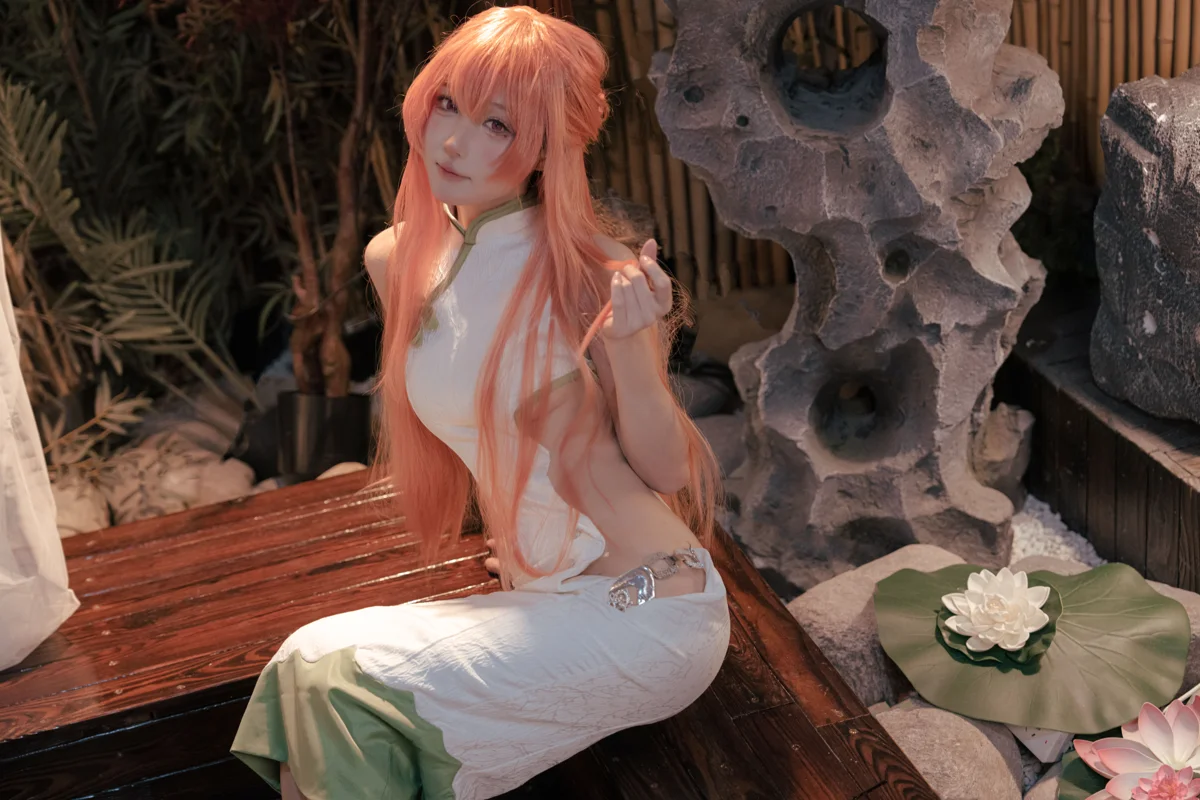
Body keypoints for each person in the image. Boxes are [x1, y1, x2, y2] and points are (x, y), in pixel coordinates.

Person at [230, 6, 730, 799]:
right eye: (448, 104)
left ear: (546, 149)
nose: (454, 141)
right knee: (310, 676)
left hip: (649, 599)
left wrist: (635, 352)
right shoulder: (395, 259)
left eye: (497, 124)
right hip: (547, 598)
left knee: (329, 671)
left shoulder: (590, 270)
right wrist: (531, 548)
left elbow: (667, 468)